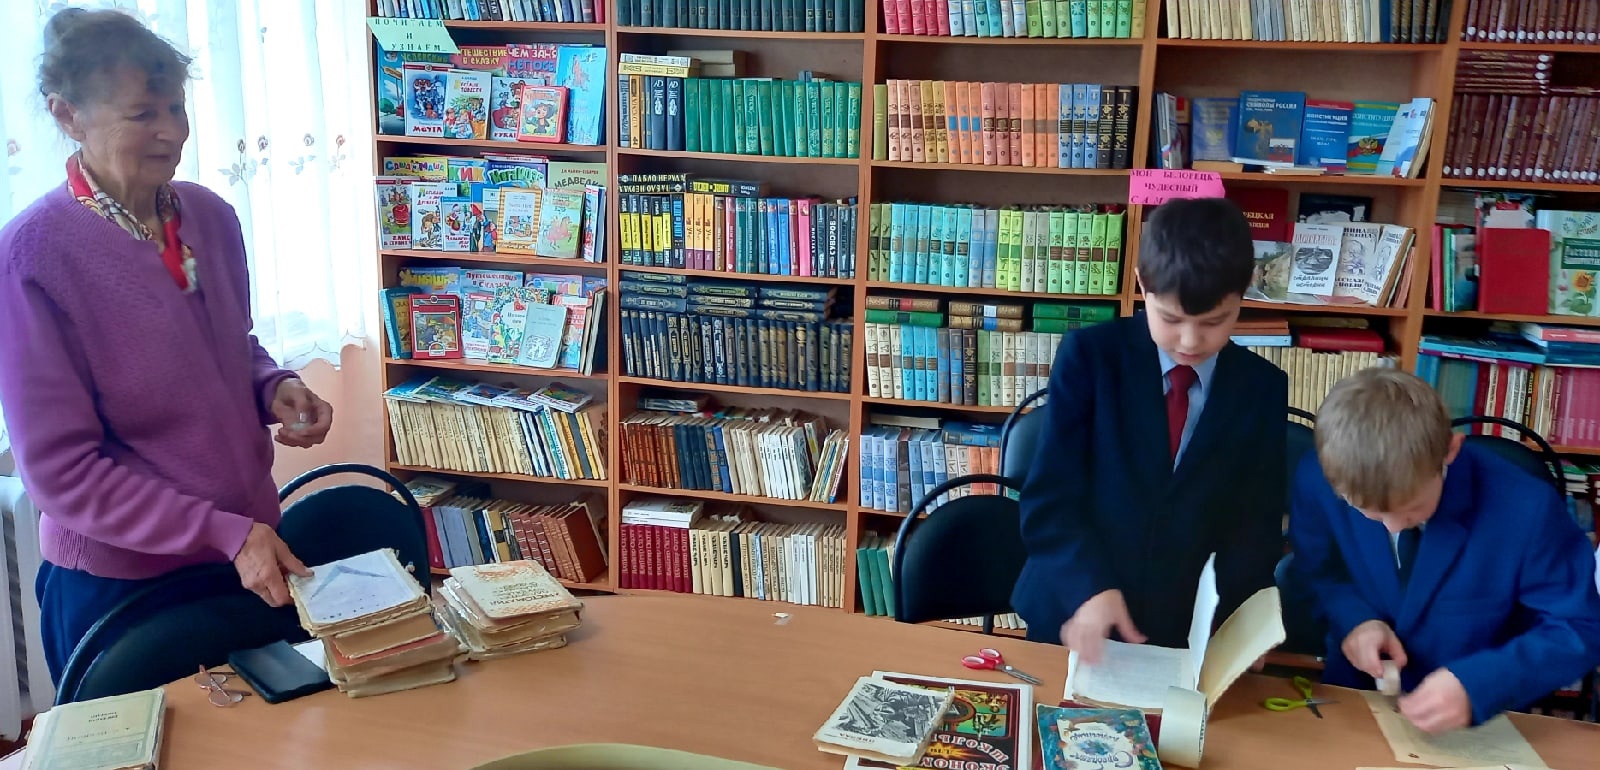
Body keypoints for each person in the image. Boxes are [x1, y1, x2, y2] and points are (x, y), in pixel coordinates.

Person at [0, 8, 334, 684]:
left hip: (246, 556)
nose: (172, 132)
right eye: (141, 114)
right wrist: (224, 532)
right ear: (67, 116)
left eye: (177, 109)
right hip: (123, 586)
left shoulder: (209, 216)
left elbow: (231, 348)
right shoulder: (33, 256)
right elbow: (63, 473)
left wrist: (273, 387)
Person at [1011, 197, 1288, 657]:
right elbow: (1049, 500)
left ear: (1244, 294)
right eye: (1171, 319)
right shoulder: (1090, 358)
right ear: (1143, 285)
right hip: (1075, 610)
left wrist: (1242, 621)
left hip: (1185, 627)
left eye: (1214, 322)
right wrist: (1089, 588)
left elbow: (1254, 525)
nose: (1190, 341)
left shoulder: (1261, 388)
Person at [1290, 368, 1600, 734]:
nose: (1392, 526)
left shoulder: (1527, 509)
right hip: (1354, 700)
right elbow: (1318, 572)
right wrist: (1355, 620)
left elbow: (1578, 627)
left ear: (1450, 451)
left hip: (1481, 721)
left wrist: (1479, 684)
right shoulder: (1317, 479)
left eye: (1411, 507)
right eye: (1366, 511)